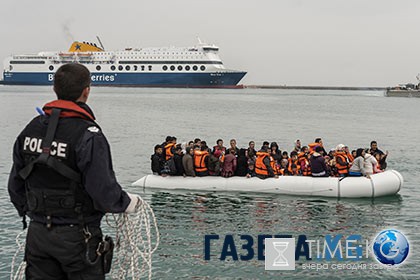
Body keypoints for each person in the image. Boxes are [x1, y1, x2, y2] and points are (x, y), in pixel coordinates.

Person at [7, 63, 141, 279]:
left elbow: (15, 185)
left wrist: (34, 213)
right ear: (86, 91)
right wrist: (126, 203)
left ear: (54, 88)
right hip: (78, 235)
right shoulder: (89, 134)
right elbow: (103, 191)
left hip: (38, 234)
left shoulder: (30, 129)